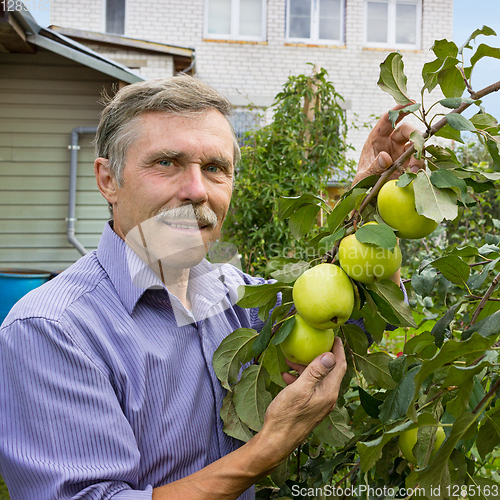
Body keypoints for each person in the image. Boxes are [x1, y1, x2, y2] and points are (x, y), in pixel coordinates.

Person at [0, 74, 422, 500]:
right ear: (109, 180)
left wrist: (370, 212)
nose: (196, 191)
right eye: (166, 162)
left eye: (216, 169)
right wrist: (266, 449)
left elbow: (355, 326)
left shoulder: (240, 297)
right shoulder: (52, 330)